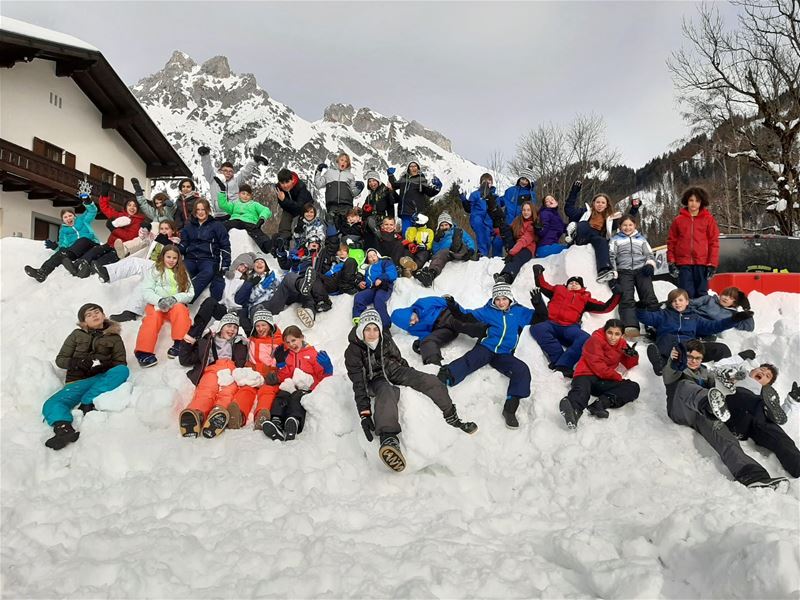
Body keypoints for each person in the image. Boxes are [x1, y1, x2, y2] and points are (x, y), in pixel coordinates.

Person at [345, 309, 478, 472]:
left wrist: (410, 374)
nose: (372, 334)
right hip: (374, 380)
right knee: (387, 392)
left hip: (394, 370)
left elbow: (397, 358)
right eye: (367, 329)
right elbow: (358, 384)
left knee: (430, 380)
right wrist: (364, 413)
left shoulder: (385, 339)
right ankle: (389, 440)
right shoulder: (353, 351)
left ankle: (452, 417)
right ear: (361, 330)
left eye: (375, 329)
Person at [663, 341, 792, 489]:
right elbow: (669, 374)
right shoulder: (677, 369)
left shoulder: (705, 373)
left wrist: (731, 380)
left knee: (725, 438)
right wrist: (673, 362)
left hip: (702, 413)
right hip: (680, 409)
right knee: (685, 385)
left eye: (698, 358)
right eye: (690, 357)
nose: (693, 361)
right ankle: (708, 404)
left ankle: (753, 476)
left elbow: (719, 385)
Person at [438, 282, 547, 429]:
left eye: (504, 298)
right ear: (493, 300)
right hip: (487, 347)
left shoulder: (519, 312)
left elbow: (541, 318)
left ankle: (510, 409)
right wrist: (452, 304)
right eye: (497, 299)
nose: (501, 302)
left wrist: (538, 303)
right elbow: (465, 316)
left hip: (504, 354)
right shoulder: (488, 311)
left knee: (522, 370)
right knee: (471, 359)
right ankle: (448, 375)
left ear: (510, 298)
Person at [42, 303, 128, 450]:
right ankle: (63, 429)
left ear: (103, 315)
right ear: (83, 322)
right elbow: (60, 360)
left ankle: (87, 400)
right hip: (75, 383)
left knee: (122, 371)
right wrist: (77, 362)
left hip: (98, 380)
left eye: (97, 312)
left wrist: (102, 365)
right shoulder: (76, 335)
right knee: (51, 404)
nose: (94, 315)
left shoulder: (114, 338)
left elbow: (121, 363)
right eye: (89, 315)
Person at [530, 265, 620, 377]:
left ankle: (564, 365)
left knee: (585, 338)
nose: (573, 284)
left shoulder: (585, 298)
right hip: (551, 323)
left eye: (577, 283)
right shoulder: (557, 290)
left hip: (570, 327)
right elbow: (542, 285)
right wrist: (538, 273)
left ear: (581, 287)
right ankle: (558, 359)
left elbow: (606, 307)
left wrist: (617, 295)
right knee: (537, 328)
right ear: (566, 285)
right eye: (571, 283)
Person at [637, 288, 751, 375]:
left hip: (690, 347)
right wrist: (641, 309)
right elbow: (647, 318)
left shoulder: (694, 317)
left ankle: (725, 372)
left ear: (687, 302)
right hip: (670, 346)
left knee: (722, 349)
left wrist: (734, 319)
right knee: (667, 345)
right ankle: (662, 366)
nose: (677, 303)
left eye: (680, 300)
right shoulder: (663, 314)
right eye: (674, 301)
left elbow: (713, 326)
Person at [178, 312, 252, 438]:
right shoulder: (207, 341)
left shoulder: (241, 343)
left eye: (235, 327)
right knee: (206, 390)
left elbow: (247, 360)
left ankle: (218, 413)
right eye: (229, 326)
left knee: (227, 392)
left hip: (231, 371)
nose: (232, 330)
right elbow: (186, 359)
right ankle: (197, 413)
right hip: (213, 369)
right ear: (221, 327)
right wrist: (188, 340)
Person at [558, 319, 640, 430]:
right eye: (610, 333)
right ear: (605, 331)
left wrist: (632, 356)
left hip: (602, 380)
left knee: (633, 387)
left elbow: (629, 364)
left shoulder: (622, 344)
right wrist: (617, 377)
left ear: (622, 335)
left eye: (617, 334)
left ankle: (600, 404)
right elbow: (598, 366)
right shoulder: (595, 340)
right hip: (585, 374)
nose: (613, 337)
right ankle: (573, 411)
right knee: (581, 390)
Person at [262, 326, 333, 441]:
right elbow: (284, 377)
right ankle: (276, 421)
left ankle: (293, 421)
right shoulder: (287, 355)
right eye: (288, 342)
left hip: (306, 388)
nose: (291, 344)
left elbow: (323, 378)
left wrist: (327, 369)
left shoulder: (312, 354)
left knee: (297, 398)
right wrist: (281, 365)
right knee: (282, 395)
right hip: (290, 385)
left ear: (301, 338)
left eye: (294, 340)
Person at [564, 180, 640, 282]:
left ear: (606, 205)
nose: (600, 204)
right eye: (598, 202)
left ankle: (604, 270)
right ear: (593, 203)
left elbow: (626, 222)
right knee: (584, 224)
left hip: (596, 236)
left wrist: (634, 208)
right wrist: (574, 191)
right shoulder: (585, 212)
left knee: (602, 241)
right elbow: (568, 210)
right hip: (582, 233)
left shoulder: (610, 218)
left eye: (603, 203)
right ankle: (572, 234)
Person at [133, 245, 194, 367]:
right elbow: (147, 290)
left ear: (178, 259)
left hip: (174, 304)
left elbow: (190, 293)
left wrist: (175, 298)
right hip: (157, 304)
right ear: (163, 257)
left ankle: (180, 342)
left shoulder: (182, 272)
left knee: (181, 310)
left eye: (174, 258)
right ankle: (143, 351)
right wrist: (159, 301)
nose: (171, 260)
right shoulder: (155, 270)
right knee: (153, 317)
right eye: (168, 257)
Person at [73, 184, 148, 277]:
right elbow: (106, 208)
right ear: (126, 206)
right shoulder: (119, 215)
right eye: (129, 205)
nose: (132, 208)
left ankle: (89, 271)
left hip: (121, 248)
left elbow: (130, 236)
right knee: (95, 251)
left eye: (134, 206)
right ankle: (79, 264)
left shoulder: (138, 222)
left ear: (137, 209)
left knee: (105, 258)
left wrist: (113, 229)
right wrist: (104, 194)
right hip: (109, 244)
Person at [24, 191, 99, 283]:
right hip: (76, 251)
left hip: (90, 244)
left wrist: (87, 201)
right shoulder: (63, 231)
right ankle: (42, 272)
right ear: (63, 220)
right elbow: (63, 245)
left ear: (74, 216)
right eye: (65, 217)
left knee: (82, 240)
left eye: (70, 215)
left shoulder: (83, 220)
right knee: (62, 253)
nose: (68, 218)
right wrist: (55, 246)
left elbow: (92, 211)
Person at [390, 296, 487, 366]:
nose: (414, 321)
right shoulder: (412, 329)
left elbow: (445, 302)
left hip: (448, 317)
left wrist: (462, 314)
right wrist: (420, 342)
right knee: (426, 342)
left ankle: (488, 332)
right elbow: (427, 335)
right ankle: (434, 366)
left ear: (409, 312)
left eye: (412, 318)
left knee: (461, 324)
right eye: (411, 323)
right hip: (443, 330)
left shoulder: (422, 303)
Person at [183, 252, 257, 339]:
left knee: (244, 322)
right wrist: (219, 278)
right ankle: (195, 333)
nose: (242, 269)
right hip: (221, 309)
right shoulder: (223, 276)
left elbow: (239, 302)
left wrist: (247, 285)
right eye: (242, 265)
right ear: (237, 263)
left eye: (246, 268)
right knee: (209, 301)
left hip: (234, 312)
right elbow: (215, 295)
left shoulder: (244, 282)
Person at [608, 215, 659, 337]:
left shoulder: (641, 239)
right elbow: (611, 257)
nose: (627, 227)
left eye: (630, 225)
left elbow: (649, 254)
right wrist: (614, 273)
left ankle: (653, 323)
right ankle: (630, 325)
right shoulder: (615, 240)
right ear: (620, 227)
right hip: (624, 271)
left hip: (641, 270)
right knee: (626, 297)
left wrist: (650, 265)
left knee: (648, 295)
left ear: (635, 225)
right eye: (624, 225)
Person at [667, 186, 720, 298]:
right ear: (687, 201)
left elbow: (713, 242)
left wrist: (712, 264)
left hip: (702, 263)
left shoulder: (708, 219)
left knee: (702, 293)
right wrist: (671, 261)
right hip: (683, 263)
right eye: (691, 200)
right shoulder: (678, 220)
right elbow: (671, 242)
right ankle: (688, 315)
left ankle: (701, 315)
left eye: (697, 201)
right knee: (686, 294)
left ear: (702, 202)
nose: (694, 204)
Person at [178, 199, 231, 302]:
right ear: (195, 211)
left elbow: (225, 246)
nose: (201, 212)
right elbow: (184, 244)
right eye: (198, 209)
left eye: (203, 209)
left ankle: (186, 298)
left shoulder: (217, 225)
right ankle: (170, 297)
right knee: (180, 271)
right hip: (191, 259)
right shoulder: (189, 227)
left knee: (208, 272)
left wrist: (225, 264)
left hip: (209, 260)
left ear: (208, 210)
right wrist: (175, 249)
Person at [198, 146, 266, 219]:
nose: (228, 173)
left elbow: (245, 171)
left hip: (234, 214)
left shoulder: (236, 180)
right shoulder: (213, 179)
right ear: (220, 171)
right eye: (225, 171)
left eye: (230, 171)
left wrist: (255, 161)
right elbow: (207, 168)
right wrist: (205, 155)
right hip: (219, 214)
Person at [243, 308, 284, 430]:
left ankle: (262, 415)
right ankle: (238, 413)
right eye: (257, 326)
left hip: (270, 376)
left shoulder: (280, 341)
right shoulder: (251, 340)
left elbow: (296, 344)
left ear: (270, 324)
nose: (260, 329)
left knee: (267, 391)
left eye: (263, 325)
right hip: (254, 374)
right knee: (245, 390)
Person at [413, 211, 476, 287]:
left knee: (460, 241)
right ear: (439, 227)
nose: (444, 227)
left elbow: (469, 240)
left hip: (462, 252)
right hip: (448, 253)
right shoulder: (439, 237)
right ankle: (431, 274)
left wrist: (471, 250)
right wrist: (436, 241)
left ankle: (456, 244)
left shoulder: (458, 230)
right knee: (441, 253)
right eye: (442, 225)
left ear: (450, 224)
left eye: (446, 225)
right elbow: (435, 252)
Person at [215, 181, 273, 252]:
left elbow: (266, 210)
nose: (245, 196)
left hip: (249, 222)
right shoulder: (235, 204)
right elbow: (223, 205)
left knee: (257, 233)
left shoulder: (254, 204)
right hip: (235, 221)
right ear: (239, 194)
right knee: (223, 226)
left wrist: (262, 219)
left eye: (248, 195)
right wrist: (222, 191)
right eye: (243, 193)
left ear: (251, 196)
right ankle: (213, 242)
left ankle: (269, 246)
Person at [387, 161, 442, 234]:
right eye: (411, 166)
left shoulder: (421, 179)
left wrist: (437, 187)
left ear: (418, 168)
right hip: (404, 211)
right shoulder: (404, 178)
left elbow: (429, 192)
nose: (413, 168)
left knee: (415, 235)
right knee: (405, 234)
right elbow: (394, 185)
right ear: (408, 168)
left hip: (415, 212)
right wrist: (391, 175)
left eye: (415, 166)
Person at [315, 152, 363, 229]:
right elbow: (318, 184)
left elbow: (353, 193)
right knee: (332, 228)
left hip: (346, 206)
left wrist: (359, 188)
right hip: (332, 206)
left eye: (346, 161)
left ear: (348, 164)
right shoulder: (329, 173)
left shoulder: (350, 176)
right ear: (337, 161)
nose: (343, 162)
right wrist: (318, 171)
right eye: (342, 160)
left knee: (345, 228)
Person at [352, 248, 398, 328]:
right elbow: (363, 279)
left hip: (384, 286)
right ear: (367, 259)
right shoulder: (367, 268)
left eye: (374, 255)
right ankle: (358, 319)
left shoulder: (385, 262)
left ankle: (385, 325)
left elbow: (392, 272)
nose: (372, 257)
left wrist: (381, 278)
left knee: (378, 299)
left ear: (378, 255)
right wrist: (361, 283)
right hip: (372, 288)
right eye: (370, 257)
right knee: (359, 297)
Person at [494, 201, 537, 284]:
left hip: (527, 248)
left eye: (528, 210)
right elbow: (510, 230)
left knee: (517, 258)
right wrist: (497, 231)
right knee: (504, 227)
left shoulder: (532, 224)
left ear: (532, 211)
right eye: (524, 210)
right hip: (516, 245)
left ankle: (507, 277)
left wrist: (511, 253)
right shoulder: (518, 220)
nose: (526, 212)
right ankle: (502, 277)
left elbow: (524, 240)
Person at [464, 173, 505, 258]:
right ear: (481, 183)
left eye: (489, 181)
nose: (487, 183)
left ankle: (497, 258)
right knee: (483, 235)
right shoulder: (475, 194)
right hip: (479, 219)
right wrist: (464, 200)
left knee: (497, 240)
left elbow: (500, 206)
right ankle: (482, 255)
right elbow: (469, 207)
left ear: (492, 183)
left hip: (491, 221)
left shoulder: (495, 196)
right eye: (484, 181)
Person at [274, 168, 313, 250]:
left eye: (287, 182)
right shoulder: (278, 189)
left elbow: (300, 207)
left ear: (292, 180)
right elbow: (283, 205)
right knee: (284, 221)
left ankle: (305, 243)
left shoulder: (300, 186)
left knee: (302, 224)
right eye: (282, 183)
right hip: (290, 206)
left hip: (305, 206)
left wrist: (284, 200)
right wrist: (283, 201)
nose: (285, 185)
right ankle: (284, 243)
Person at [690, 287, 754, 332]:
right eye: (725, 295)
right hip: (695, 319)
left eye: (731, 298)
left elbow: (749, 327)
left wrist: (746, 309)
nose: (726, 298)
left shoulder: (733, 314)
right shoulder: (709, 299)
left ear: (735, 303)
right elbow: (690, 303)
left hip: (710, 327)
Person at [362, 170, 398, 246]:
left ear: (378, 181)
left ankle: (380, 238)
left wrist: (391, 190)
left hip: (383, 219)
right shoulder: (369, 197)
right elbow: (364, 211)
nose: (372, 183)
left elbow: (395, 200)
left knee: (371, 221)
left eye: (374, 180)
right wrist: (364, 210)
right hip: (371, 222)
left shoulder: (386, 191)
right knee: (369, 222)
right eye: (370, 181)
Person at [535, 193, 567, 258]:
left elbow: (563, 227)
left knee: (572, 248)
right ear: (545, 205)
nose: (550, 201)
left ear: (556, 202)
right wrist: (539, 228)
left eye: (552, 199)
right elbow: (542, 230)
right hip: (545, 248)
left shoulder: (555, 215)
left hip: (551, 246)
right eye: (547, 201)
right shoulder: (545, 213)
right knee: (570, 250)